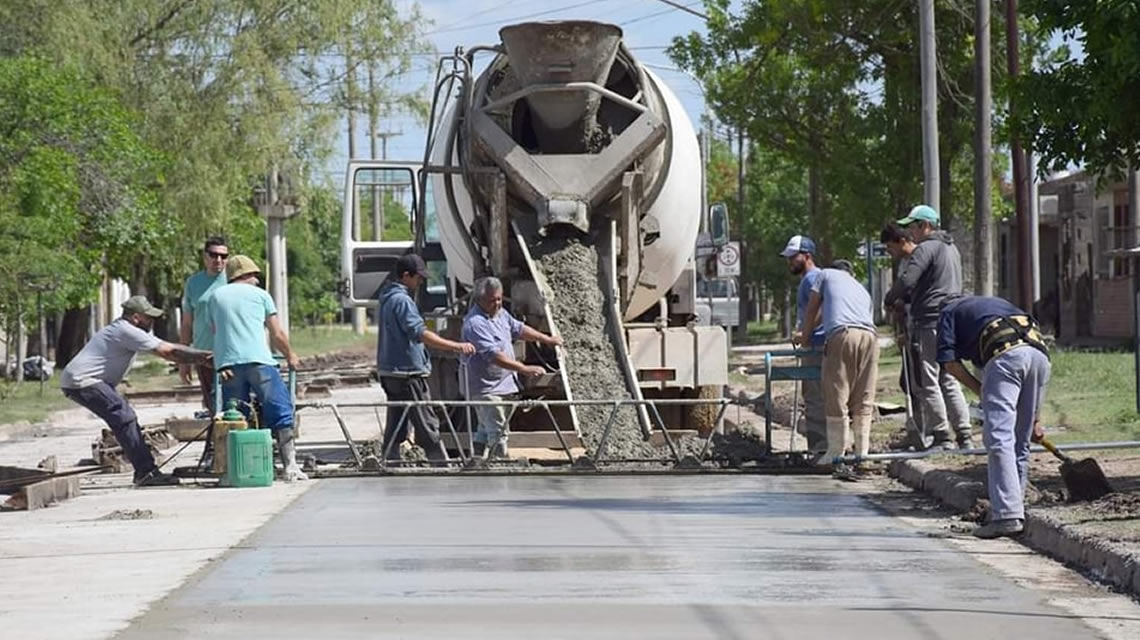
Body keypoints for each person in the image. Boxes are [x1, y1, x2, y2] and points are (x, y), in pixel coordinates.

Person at [61, 296, 211, 486]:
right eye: (148, 317)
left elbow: (166, 347)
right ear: (135, 317)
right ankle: (146, 472)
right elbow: (168, 352)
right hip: (83, 381)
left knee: (122, 418)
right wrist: (204, 357)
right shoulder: (127, 330)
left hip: (84, 381)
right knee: (124, 416)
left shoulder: (127, 329)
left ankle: (145, 469)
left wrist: (199, 357)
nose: (152, 321)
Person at [937, 295, 1051, 539]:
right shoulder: (995, 304)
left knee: (999, 438)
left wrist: (981, 389)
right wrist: (1035, 419)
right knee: (1020, 440)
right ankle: (1014, 506)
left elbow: (950, 365)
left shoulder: (948, 312)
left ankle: (1007, 515)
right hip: (1039, 354)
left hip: (1006, 356)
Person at [205, 254, 306, 481]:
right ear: (246, 275)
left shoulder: (214, 297)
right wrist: (291, 355)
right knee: (280, 409)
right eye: (254, 276)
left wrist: (221, 364)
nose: (257, 281)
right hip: (260, 362)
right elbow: (277, 333)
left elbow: (215, 331)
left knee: (234, 415)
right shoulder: (261, 296)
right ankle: (290, 466)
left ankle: (234, 469)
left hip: (228, 366)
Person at [884, 205, 973, 450]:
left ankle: (942, 435)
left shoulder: (926, 248)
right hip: (950, 319)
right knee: (950, 376)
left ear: (926, 225)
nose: (911, 232)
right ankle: (964, 433)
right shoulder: (950, 248)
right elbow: (935, 285)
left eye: (913, 226)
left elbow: (908, 280)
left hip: (930, 321)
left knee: (929, 378)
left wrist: (890, 298)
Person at [377, 254, 475, 462]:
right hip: (407, 372)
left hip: (390, 370)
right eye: (418, 277)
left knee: (397, 419)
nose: (421, 282)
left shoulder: (387, 297)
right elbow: (420, 333)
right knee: (425, 419)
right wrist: (455, 346)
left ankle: (390, 459)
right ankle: (440, 461)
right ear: (406, 276)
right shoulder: (402, 301)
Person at [461, 277, 562, 459]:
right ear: (479, 300)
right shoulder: (475, 324)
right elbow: (493, 356)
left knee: (484, 428)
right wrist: (524, 368)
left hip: (505, 384)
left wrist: (546, 339)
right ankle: (501, 462)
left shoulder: (501, 314)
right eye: (492, 300)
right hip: (487, 388)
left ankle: (475, 462)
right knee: (497, 429)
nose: (497, 303)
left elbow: (519, 328)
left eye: (499, 299)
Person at [796, 264, 879, 471]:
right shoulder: (860, 288)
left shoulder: (823, 275)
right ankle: (862, 454)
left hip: (842, 334)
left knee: (836, 393)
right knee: (863, 396)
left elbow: (814, 308)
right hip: (871, 337)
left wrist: (804, 338)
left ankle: (835, 453)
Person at [780, 234, 827, 453]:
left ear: (807, 256)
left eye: (793, 257)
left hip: (816, 344)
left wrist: (804, 334)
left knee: (815, 399)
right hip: (818, 342)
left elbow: (819, 309)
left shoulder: (811, 279)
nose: (789, 262)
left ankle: (819, 449)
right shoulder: (815, 278)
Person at [179, 236, 229, 414]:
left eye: (224, 256)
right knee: (212, 404)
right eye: (214, 255)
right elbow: (186, 323)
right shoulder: (193, 283)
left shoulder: (233, 280)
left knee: (233, 404)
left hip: (231, 352)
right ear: (205, 257)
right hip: (204, 353)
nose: (219, 260)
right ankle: (217, 439)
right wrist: (183, 360)